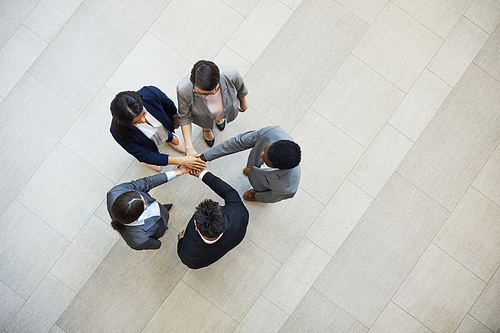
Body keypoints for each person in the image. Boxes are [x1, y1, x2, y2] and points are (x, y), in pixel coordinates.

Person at [110, 86, 206, 171]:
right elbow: (144, 155)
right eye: (136, 122)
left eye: (143, 113)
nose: (143, 121)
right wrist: (181, 161)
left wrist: (175, 120)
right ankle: (154, 157)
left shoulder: (151, 93)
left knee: (163, 131)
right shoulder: (117, 132)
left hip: (163, 130)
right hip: (146, 145)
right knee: (151, 154)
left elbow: (169, 106)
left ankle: (169, 138)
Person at [200, 126, 301, 203]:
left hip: (262, 185)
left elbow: (270, 197)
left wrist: (256, 196)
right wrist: (205, 157)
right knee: (251, 169)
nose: (261, 154)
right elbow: (238, 143)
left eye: (265, 159)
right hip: (255, 167)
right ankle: (253, 170)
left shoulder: (287, 189)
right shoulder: (272, 132)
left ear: (280, 169)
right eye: (265, 150)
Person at [177, 169, 249, 269]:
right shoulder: (240, 215)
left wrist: (181, 238)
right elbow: (229, 192)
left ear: (197, 228)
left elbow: (181, 249)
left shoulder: (189, 257)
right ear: (224, 220)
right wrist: (202, 173)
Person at [107, 167, 189, 250]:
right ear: (137, 218)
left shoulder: (115, 192)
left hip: (160, 211)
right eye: (145, 203)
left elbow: (147, 182)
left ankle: (163, 210)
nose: (147, 200)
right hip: (160, 227)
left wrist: (178, 172)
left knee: (163, 211)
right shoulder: (138, 241)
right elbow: (157, 244)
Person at [177, 60, 248, 151]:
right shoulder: (183, 89)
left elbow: (241, 89)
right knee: (205, 119)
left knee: (220, 113)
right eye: (199, 93)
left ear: (218, 82)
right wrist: (189, 147)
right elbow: (184, 117)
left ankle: (219, 118)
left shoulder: (231, 73)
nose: (203, 97)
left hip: (223, 108)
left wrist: (244, 103)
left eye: (209, 93)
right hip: (202, 115)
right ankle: (207, 129)